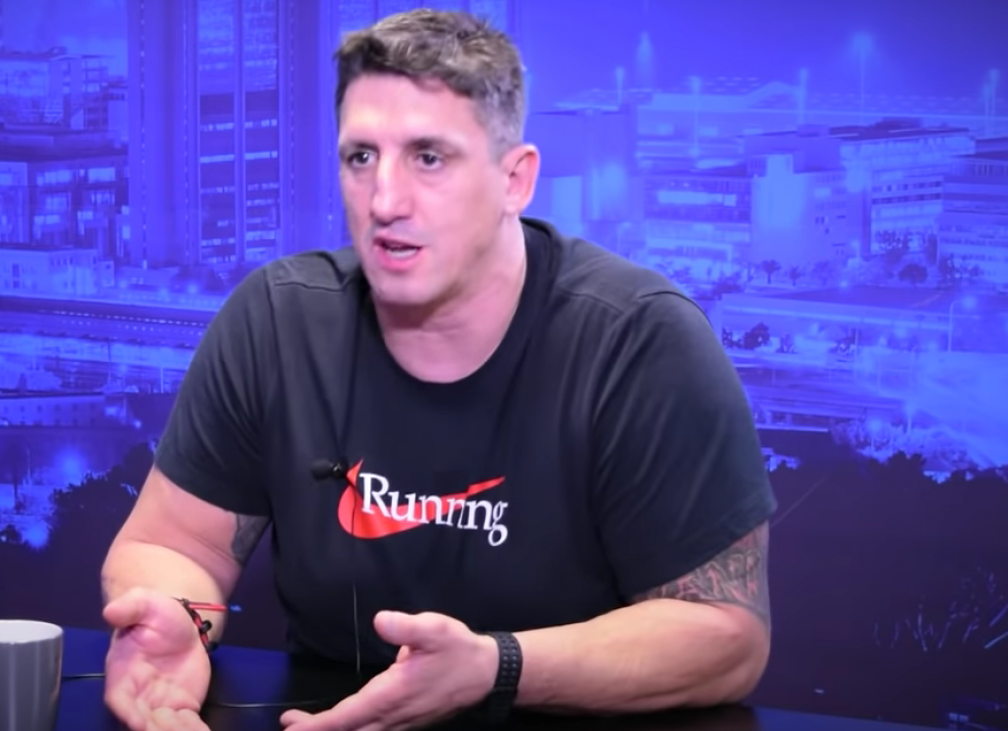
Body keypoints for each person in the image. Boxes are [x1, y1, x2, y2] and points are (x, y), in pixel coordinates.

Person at [99, 8, 777, 731]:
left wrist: (495, 668)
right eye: (361, 157)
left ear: (516, 179)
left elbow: (724, 636)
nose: (385, 201)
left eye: (428, 158)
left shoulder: (639, 341)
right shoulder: (276, 321)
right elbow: (175, 545)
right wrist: (173, 618)